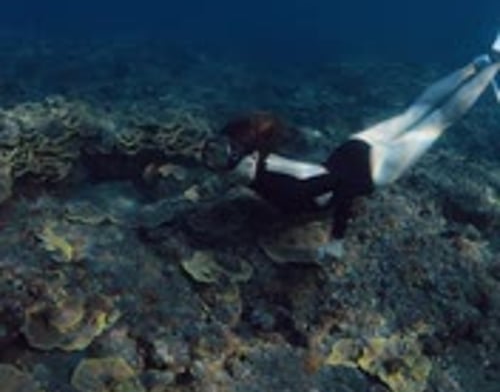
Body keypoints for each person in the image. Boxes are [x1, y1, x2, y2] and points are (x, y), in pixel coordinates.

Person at [202, 35, 500, 260]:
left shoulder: (281, 191)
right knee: (414, 111)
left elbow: (340, 185)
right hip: (351, 149)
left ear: (251, 156)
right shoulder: (263, 161)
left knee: (437, 121)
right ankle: (477, 64)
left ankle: (495, 64)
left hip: (371, 168)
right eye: (216, 152)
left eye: (226, 156)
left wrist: (337, 238)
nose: (217, 163)